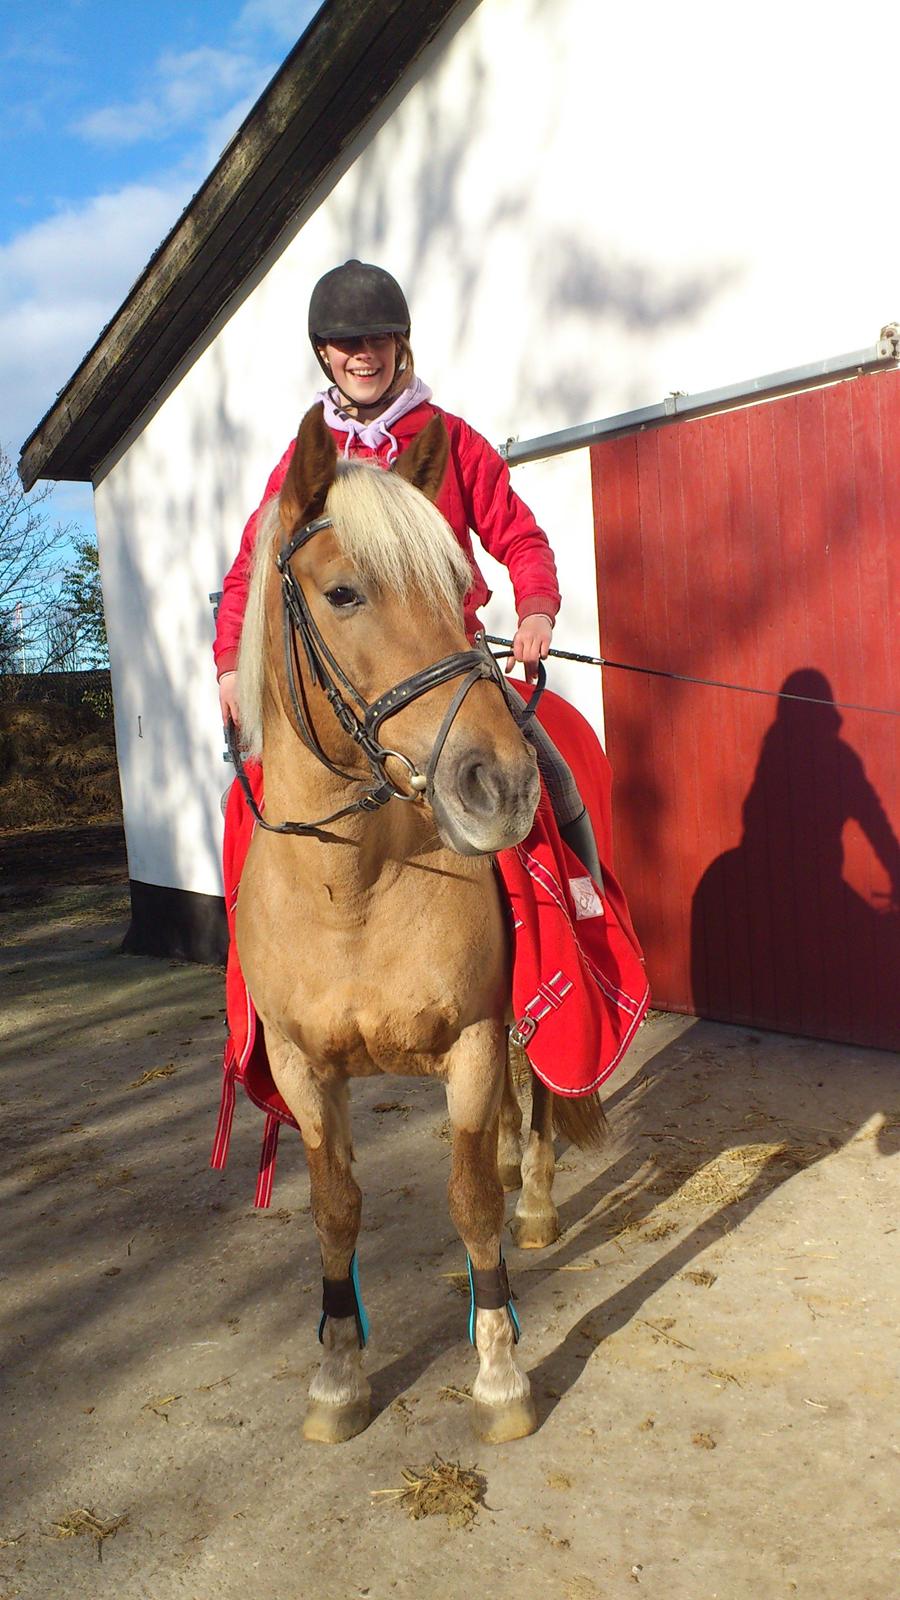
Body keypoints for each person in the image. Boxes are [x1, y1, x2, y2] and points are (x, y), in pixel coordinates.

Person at [213, 259, 601, 881]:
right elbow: (250, 572)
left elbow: (522, 537)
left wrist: (535, 610)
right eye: (347, 344)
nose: (363, 357)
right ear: (324, 354)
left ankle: (589, 909)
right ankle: (255, 963)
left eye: (378, 340)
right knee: (247, 802)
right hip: (349, 681)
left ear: (401, 345)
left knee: (550, 773)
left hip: (445, 658)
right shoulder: (305, 461)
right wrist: (232, 665)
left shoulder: (452, 440)